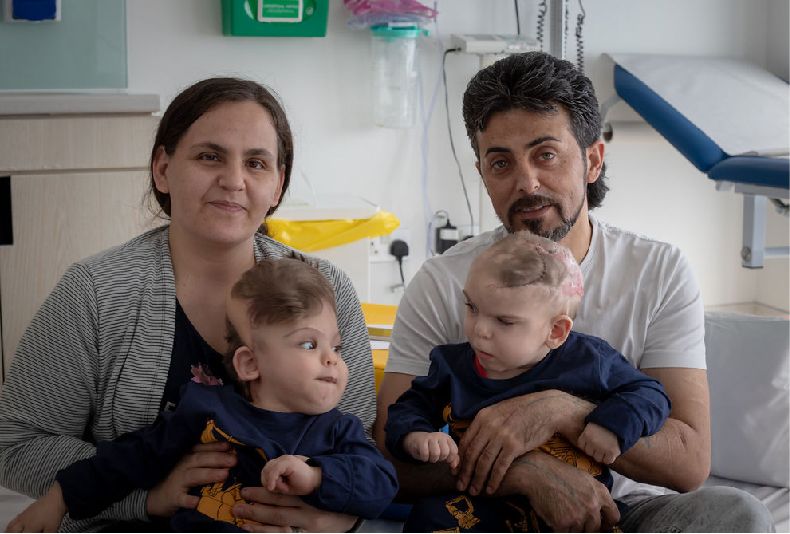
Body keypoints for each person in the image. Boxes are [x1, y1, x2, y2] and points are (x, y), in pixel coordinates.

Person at [374, 52, 775, 532]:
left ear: (592, 160)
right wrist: (524, 473)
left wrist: (562, 412)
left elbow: (688, 463)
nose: (526, 183)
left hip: (626, 514)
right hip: (488, 511)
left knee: (737, 516)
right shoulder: (442, 282)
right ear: (482, 174)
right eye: (500, 162)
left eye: (546, 154)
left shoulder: (658, 270)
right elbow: (388, 460)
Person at [0, 77, 376, 532]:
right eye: (209, 156)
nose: (233, 180)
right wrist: (147, 498)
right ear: (162, 168)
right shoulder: (94, 292)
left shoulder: (327, 288)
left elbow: (359, 441)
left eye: (256, 163)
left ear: (277, 186)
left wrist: (337, 518)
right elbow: (16, 444)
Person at [7, 257, 398, 532]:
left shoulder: (338, 432)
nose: (332, 361)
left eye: (338, 348)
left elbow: (380, 484)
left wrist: (316, 477)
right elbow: (128, 458)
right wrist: (60, 498)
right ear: (249, 365)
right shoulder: (206, 411)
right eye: (310, 346)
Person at [384, 232, 670, 532]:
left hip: (575, 512)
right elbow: (407, 408)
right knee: (428, 517)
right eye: (472, 307)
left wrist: (613, 424)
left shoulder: (589, 360)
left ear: (556, 331)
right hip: (483, 506)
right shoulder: (451, 365)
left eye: (504, 321)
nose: (480, 330)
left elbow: (650, 393)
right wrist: (415, 436)